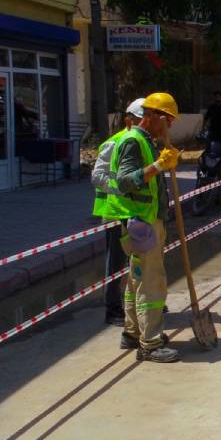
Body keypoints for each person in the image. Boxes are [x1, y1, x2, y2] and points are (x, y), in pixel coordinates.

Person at [100, 92, 182, 362]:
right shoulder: (134, 141)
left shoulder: (144, 141)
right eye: (168, 120)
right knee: (151, 282)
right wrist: (159, 165)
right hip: (142, 223)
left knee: (137, 279)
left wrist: (162, 163)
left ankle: (132, 332)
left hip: (141, 221)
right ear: (153, 116)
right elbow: (125, 182)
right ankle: (150, 343)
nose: (170, 127)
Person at [91, 98, 145, 326]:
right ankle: (112, 308)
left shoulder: (142, 141)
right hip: (115, 211)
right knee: (115, 262)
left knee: (141, 259)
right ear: (129, 120)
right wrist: (123, 190)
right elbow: (98, 177)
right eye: (142, 120)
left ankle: (142, 301)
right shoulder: (115, 142)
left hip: (135, 211)